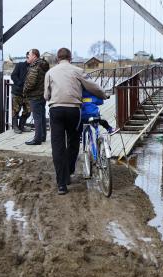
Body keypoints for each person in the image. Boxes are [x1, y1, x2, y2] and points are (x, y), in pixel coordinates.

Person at [44, 47, 107, 195]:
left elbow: (46, 96)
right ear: (70, 58)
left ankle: (61, 184)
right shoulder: (77, 70)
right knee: (73, 141)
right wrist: (103, 95)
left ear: (58, 59)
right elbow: (92, 87)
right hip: (74, 110)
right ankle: (69, 171)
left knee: (57, 145)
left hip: (56, 111)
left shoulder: (50, 72)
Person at [23, 49, 50, 145]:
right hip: (42, 94)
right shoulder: (43, 65)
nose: (27, 57)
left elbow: (31, 82)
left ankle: (37, 139)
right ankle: (42, 136)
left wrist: (25, 90)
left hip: (35, 95)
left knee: (37, 117)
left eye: (28, 56)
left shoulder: (35, 66)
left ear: (34, 56)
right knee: (41, 115)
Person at [10, 53, 30, 134]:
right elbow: (13, 76)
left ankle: (21, 126)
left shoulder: (34, 67)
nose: (29, 58)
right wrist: (20, 83)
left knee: (28, 111)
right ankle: (15, 127)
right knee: (15, 111)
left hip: (28, 94)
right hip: (17, 92)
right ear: (27, 57)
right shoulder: (20, 65)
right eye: (28, 57)